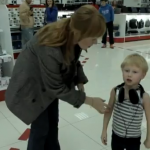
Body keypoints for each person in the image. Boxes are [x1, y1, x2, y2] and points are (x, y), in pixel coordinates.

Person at [5, 5, 108, 150]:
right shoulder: (50, 45)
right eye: (92, 39)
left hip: (48, 85)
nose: (95, 43)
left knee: (52, 123)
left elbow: (73, 60)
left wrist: (79, 78)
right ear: (79, 33)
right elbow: (55, 87)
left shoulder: (72, 33)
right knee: (40, 129)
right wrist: (90, 101)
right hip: (31, 88)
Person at [101, 53, 150, 150]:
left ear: (143, 75)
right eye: (126, 70)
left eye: (135, 72)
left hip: (134, 139)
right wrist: (104, 130)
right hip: (116, 136)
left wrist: (149, 138)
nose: (129, 74)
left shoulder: (144, 97)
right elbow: (108, 111)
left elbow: (149, 119)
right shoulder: (115, 91)